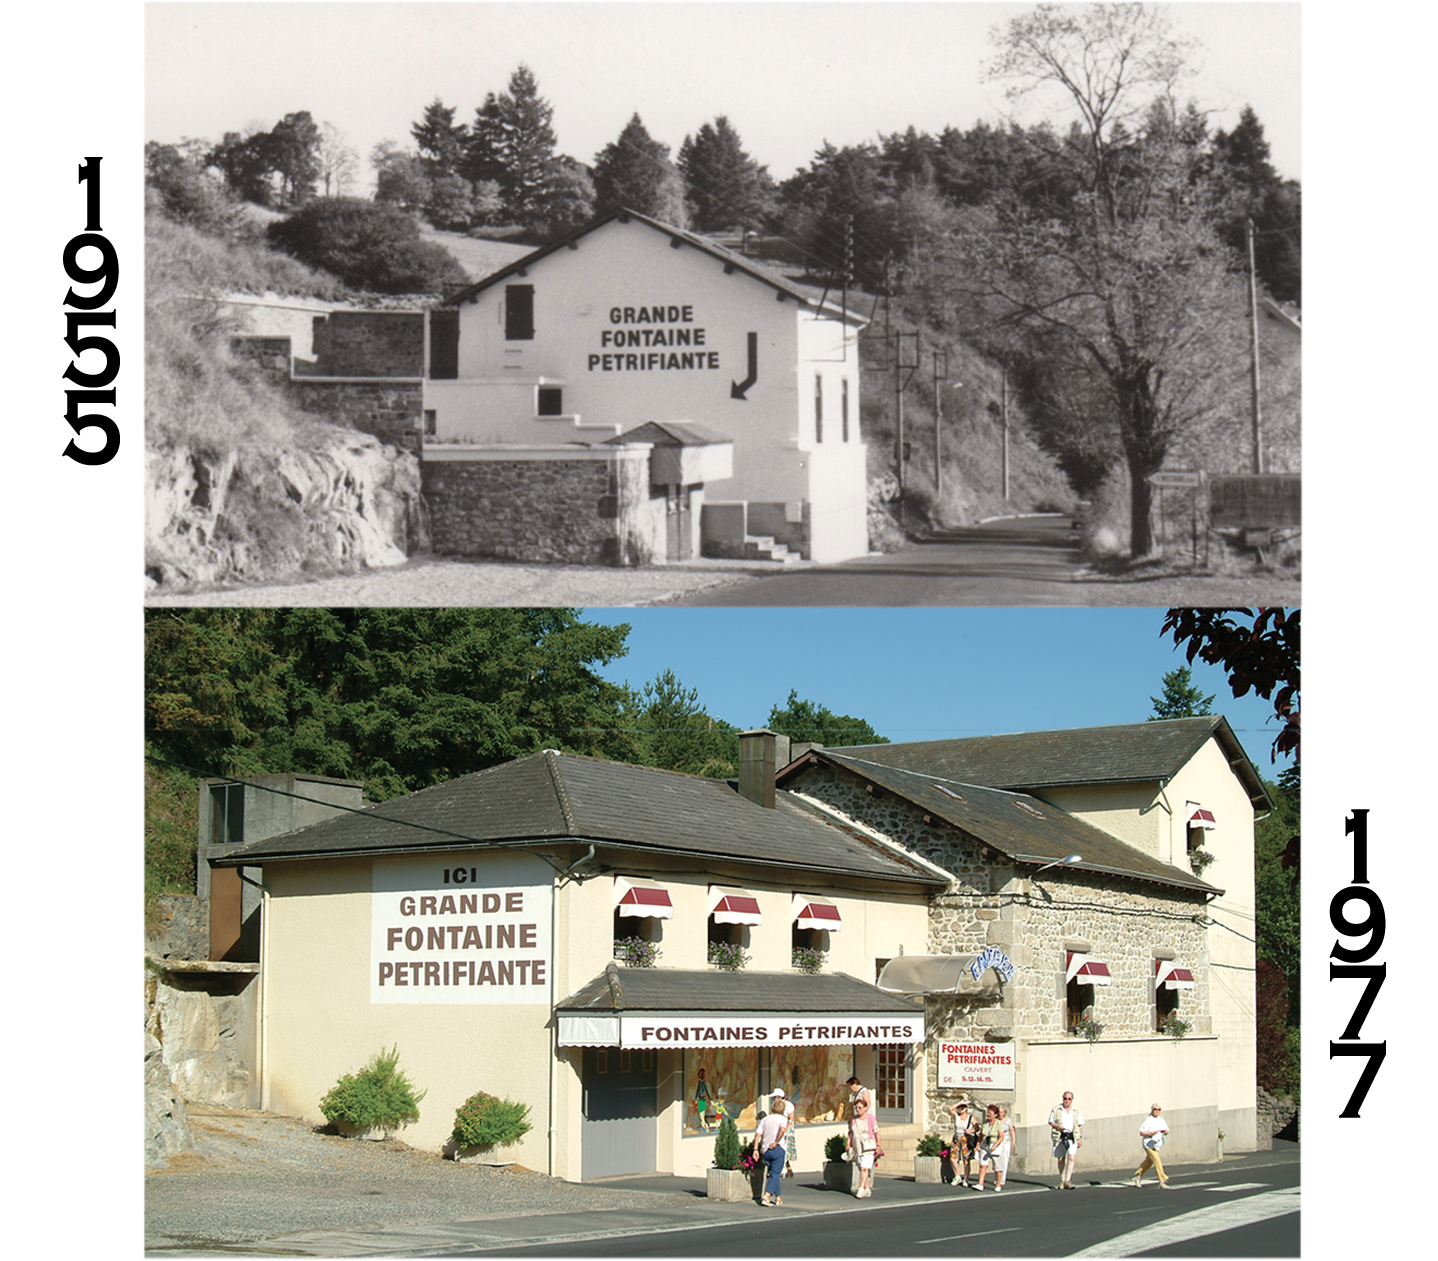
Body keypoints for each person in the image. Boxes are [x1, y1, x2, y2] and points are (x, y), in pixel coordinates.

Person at [753, 1095, 790, 1206]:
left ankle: (778, 1197)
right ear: (783, 1111)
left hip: (765, 1149)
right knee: (775, 1173)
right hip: (778, 1148)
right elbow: (782, 1130)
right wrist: (776, 1142)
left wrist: (756, 1149)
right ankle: (767, 1195)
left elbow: (757, 1134)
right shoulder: (783, 1119)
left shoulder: (764, 1120)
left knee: (774, 1173)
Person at [845, 1095, 882, 1198]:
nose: (858, 1110)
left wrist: (878, 1145)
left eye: (860, 1107)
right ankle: (867, 1189)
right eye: (856, 1108)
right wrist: (848, 1143)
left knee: (864, 1169)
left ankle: (861, 1189)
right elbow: (850, 1132)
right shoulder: (854, 1119)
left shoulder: (871, 1119)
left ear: (866, 1108)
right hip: (858, 1147)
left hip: (868, 1147)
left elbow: (876, 1132)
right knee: (861, 1167)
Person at [1048, 1090, 1085, 1189]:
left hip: (1072, 1136)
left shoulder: (1076, 1111)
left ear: (1072, 1100)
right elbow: (1050, 1121)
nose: (1067, 1101)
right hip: (1060, 1136)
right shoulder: (1056, 1109)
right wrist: (1057, 1126)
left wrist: (1080, 1138)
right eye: (1065, 1098)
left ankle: (1068, 1180)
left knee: (1071, 1157)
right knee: (1061, 1159)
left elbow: (1080, 1125)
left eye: (1069, 1099)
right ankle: (1062, 1179)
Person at [1131, 1102, 1171, 1188]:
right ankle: (1162, 1180)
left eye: (1159, 1110)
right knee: (1157, 1160)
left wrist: (1165, 1132)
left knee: (1149, 1162)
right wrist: (1150, 1133)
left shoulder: (1161, 1120)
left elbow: (1166, 1130)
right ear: (1152, 1110)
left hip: (1156, 1144)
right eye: (1155, 1109)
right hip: (1148, 1144)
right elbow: (1141, 1132)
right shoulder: (1148, 1120)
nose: (1157, 1111)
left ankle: (1138, 1176)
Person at [975, 1104, 1011, 1191]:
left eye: (990, 1113)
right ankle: (980, 1184)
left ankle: (998, 1184)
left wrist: (995, 1145)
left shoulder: (999, 1123)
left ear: (995, 1114)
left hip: (995, 1145)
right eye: (988, 1113)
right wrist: (978, 1143)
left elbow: (1001, 1137)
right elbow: (981, 1134)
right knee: (983, 1165)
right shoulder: (985, 1123)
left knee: (997, 1167)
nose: (988, 1115)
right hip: (985, 1145)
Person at [947, 1098, 980, 1188]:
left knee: (966, 1160)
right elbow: (950, 1109)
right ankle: (957, 1176)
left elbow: (977, 1128)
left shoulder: (970, 1117)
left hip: (966, 1138)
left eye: (962, 1108)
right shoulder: (956, 1116)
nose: (960, 1109)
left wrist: (971, 1130)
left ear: (966, 1109)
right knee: (953, 1158)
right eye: (959, 1108)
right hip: (957, 1137)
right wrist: (960, 1102)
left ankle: (966, 1178)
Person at [778, 1086, 798, 1178]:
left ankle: (787, 1168)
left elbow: (791, 1118)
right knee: (782, 1149)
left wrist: (786, 1129)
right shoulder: (778, 1106)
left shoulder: (788, 1105)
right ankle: (788, 1168)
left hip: (787, 1131)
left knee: (785, 1150)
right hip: (780, 1130)